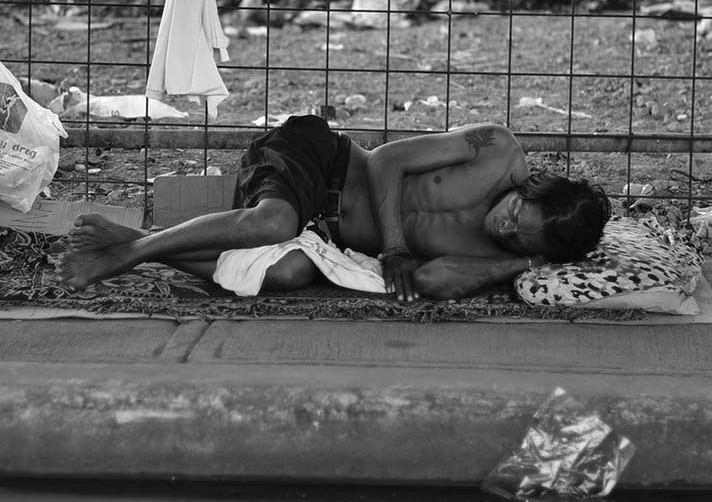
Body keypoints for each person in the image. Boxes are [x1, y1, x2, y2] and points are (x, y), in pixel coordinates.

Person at [57, 115, 611, 302]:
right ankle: (125, 257)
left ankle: (132, 243)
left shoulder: (507, 256)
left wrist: (522, 264)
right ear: (531, 184)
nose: (504, 226)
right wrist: (394, 247)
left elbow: (436, 281)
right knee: (275, 221)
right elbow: (387, 160)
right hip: (322, 159)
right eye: (515, 212)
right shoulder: (494, 148)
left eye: (517, 238)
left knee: (291, 272)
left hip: (326, 236)